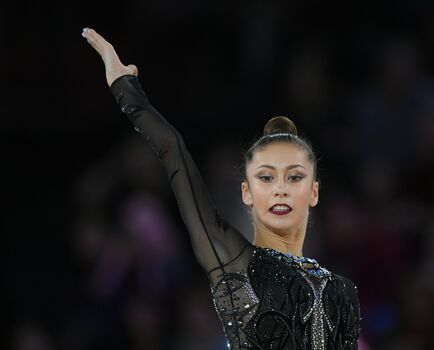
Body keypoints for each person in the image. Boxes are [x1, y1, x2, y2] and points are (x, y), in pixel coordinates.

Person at [81, 27, 362, 349]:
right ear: (248, 194)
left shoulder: (340, 292)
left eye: (294, 177)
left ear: (313, 193)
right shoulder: (233, 266)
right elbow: (173, 151)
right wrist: (126, 89)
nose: (281, 189)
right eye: (267, 178)